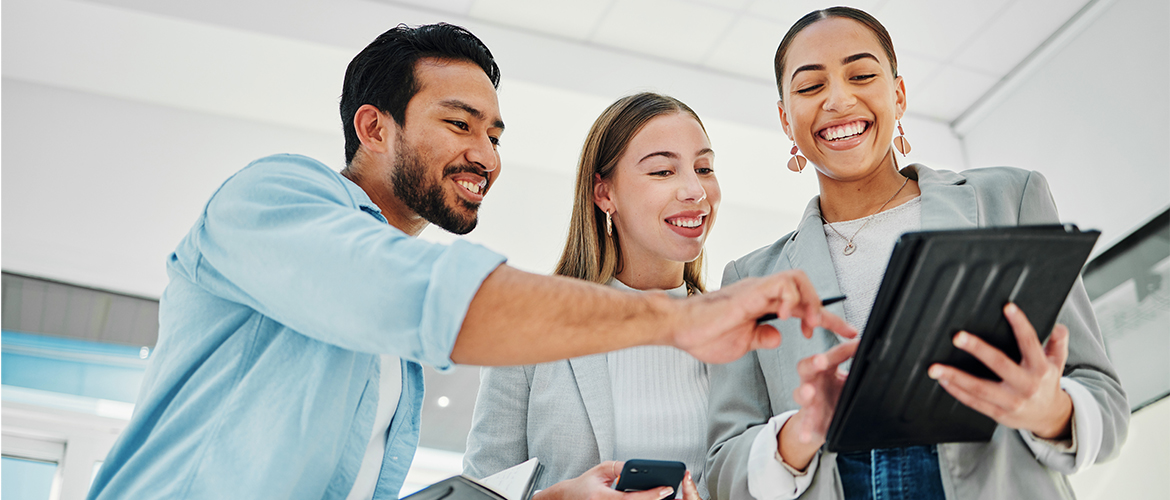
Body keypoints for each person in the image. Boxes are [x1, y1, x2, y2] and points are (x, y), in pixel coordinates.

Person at [86, 23, 855, 500]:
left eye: (494, 133)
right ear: (374, 127)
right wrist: (677, 320)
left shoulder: (387, 360)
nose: (483, 154)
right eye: (459, 123)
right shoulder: (273, 198)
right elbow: (422, 298)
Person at [705, 8, 1128, 500]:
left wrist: (1049, 409)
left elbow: (1106, 401)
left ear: (899, 94)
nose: (839, 100)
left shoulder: (1008, 199)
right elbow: (722, 472)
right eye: (809, 87)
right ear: (785, 119)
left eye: (861, 75)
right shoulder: (750, 280)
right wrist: (801, 431)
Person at [464, 93, 749, 500]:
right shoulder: (531, 327)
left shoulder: (738, 335)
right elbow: (482, 491)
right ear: (605, 194)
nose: (695, 190)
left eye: (704, 168)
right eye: (663, 171)